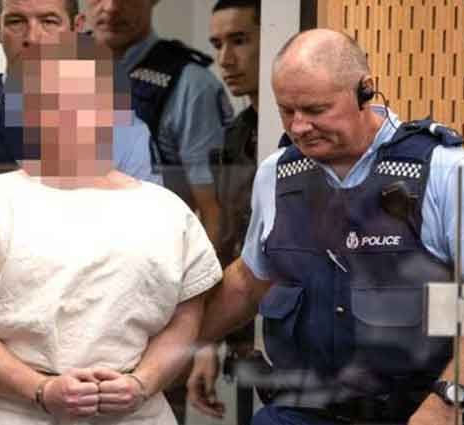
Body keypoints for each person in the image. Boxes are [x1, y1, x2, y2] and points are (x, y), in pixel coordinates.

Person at [188, 28, 464, 425]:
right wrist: (170, 351)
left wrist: (446, 401)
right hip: (301, 411)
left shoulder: (445, 172)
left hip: (416, 411)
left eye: (315, 110)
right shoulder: (277, 174)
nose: (299, 127)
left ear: (365, 90)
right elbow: (248, 281)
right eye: (286, 111)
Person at [0, 33, 223, 425]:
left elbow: (184, 323)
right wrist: (40, 389)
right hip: (12, 412)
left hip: (135, 413)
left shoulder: (169, 213)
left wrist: (141, 383)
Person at [0, 0, 160, 190]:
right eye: (16, 21)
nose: (33, 37)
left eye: (49, 22)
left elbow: (150, 224)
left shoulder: (123, 130)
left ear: (76, 29)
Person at [84, 0, 232, 249]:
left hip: (149, 257)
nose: (110, 7)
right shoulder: (48, 71)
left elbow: (214, 214)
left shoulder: (191, 85)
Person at [188, 1, 261, 424]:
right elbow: (226, 242)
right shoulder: (235, 137)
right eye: (217, 45)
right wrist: (206, 343)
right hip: (245, 340)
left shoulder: (309, 134)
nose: (225, 59)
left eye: (239, 40)